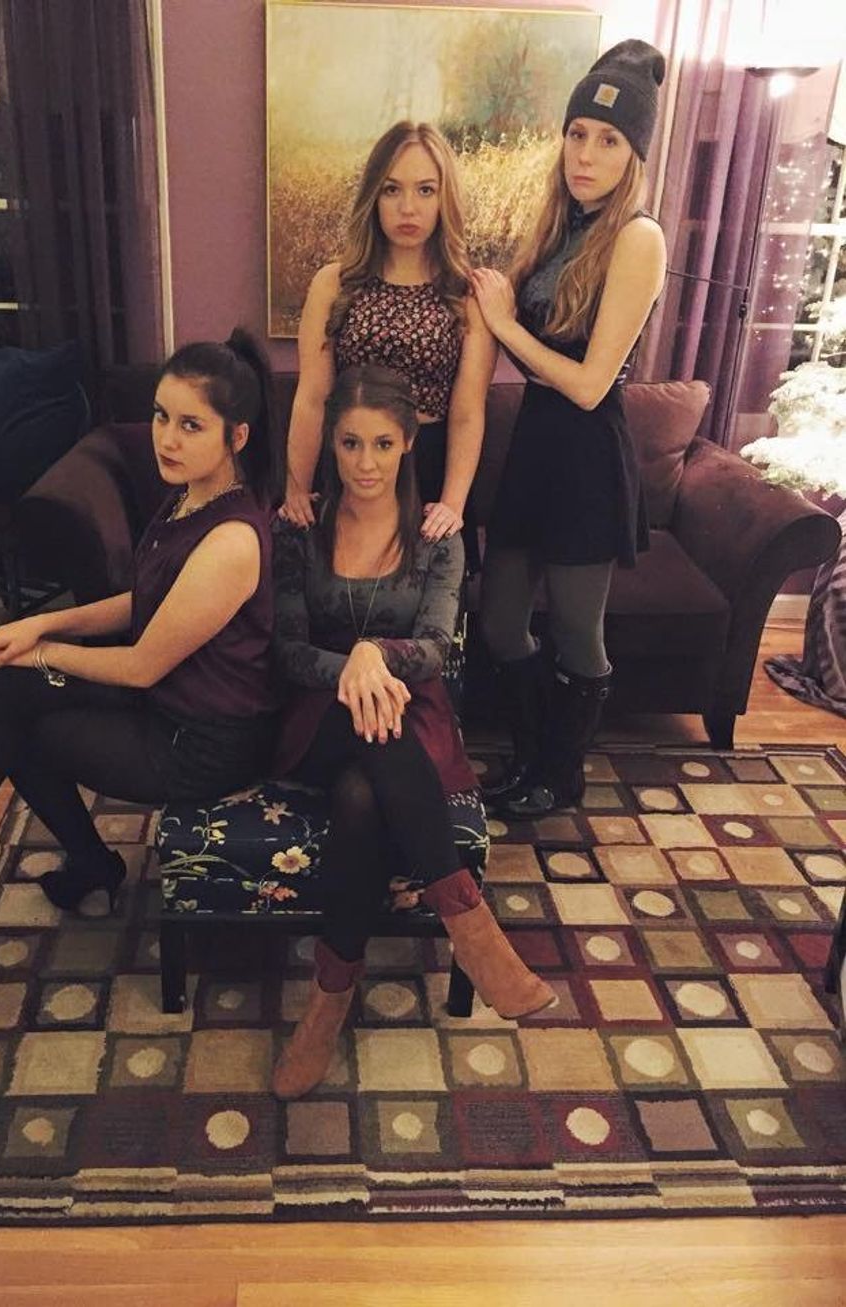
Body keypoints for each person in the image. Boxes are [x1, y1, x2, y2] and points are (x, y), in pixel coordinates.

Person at [0, 331, 283, 933]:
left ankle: (33, 865)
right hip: (169, 700)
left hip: (199, 741)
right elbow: (145, 602)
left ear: (236, 436)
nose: (166, 437)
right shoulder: (189, 497)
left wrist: (46, 651)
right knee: (6, 689)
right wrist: (38, 622)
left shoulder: (231, 539)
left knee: (14, 728)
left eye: (191, 426)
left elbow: (141, 664)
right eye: (161, 415)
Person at [270, 365, 555, 1100]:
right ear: (331, 445)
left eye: (382, 443)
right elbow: (289, 651)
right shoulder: (299, 528)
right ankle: (470, 923)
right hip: (315, 714)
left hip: (409, 713)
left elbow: (432, 647)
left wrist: (377, 655)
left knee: (362, 795)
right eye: (350, 443)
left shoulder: (437, 536)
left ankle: (326, 1005)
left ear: (406, 443)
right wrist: (353, 668)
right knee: (366, 730)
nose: (365, 463)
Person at [469, 40, 668, 816]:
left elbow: (589, 385)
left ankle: (560, 772)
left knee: (579, 633)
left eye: (609, 140)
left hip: (586, 455)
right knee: (499, 621)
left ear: (634, 154)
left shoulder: (638, 237)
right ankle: (528, 757)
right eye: (578, 133)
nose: (586, 154)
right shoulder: (558, 227)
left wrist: (503, 325)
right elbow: (504, 319)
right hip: (535, 449)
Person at [280, 121, 496, 566]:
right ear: (373, 197)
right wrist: (296, 488)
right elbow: (313, 397)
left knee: (429, 604)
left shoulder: (467, 294)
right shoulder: (334, 284)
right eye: (392, 190)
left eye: (425, 190)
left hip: (429, 470)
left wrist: (453, 503)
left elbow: (468, 411)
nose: (408, 208)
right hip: (350, 465)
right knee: (339, 600)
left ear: (444, 198)